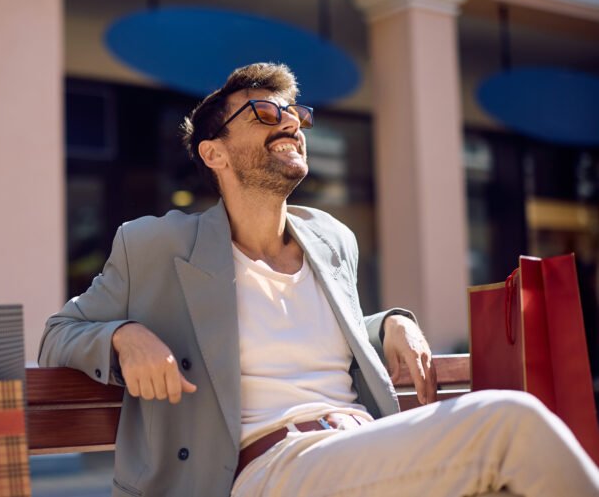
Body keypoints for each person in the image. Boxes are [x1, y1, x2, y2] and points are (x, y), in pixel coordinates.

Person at [39, 63, 599, 497]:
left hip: (358, 448)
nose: (289, 122)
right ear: (215, 153)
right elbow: (59, 332)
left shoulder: (332, 239)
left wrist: (391, 323)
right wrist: (122, 336)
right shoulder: (156, 244)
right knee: (509, 422)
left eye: (295, 114)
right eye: (263, 112)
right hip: (270, 469)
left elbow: (320, 329)